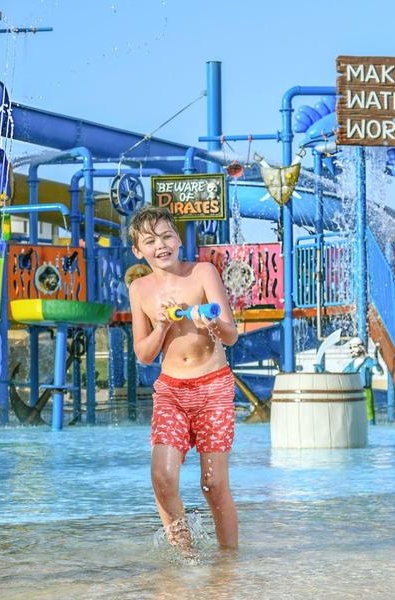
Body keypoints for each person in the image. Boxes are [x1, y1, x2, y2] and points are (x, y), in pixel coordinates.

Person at [127, 206, 240, 555]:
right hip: (172, 391)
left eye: (166, 236)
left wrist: (213, 326)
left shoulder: (202, 272)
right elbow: (143, 354)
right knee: (162, 477)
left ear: (178, 239)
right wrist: (161, 326)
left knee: (213, 484)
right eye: (150, 241)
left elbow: (231, 334)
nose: (160, 245)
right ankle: (185, 556)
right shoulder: (139, 289)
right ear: (138, 250)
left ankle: (228, 563)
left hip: (213, 386)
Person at [342, 337, 384, 425]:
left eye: (354, 347)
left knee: (369, 416)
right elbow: (341, 376)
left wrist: (376, 361)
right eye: (350, 348)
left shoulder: (368, 362)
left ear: (361, 347)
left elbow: (379, 372)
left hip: (366, 392)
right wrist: (324, 372)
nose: (352, 350)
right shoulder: (351, 365)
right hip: (354, 393)